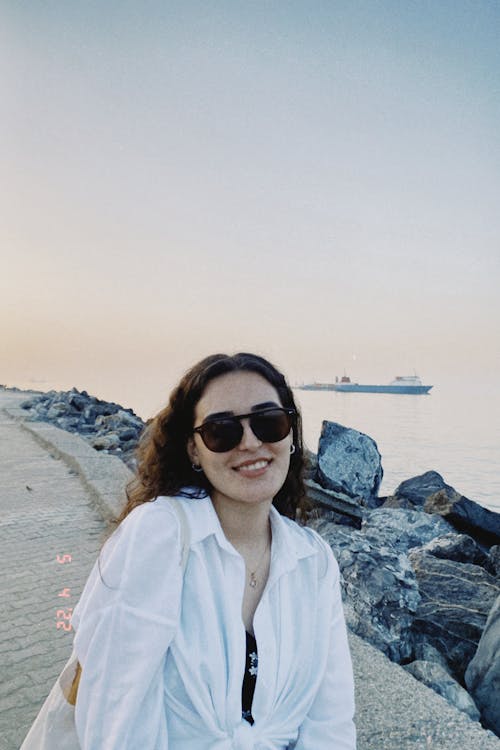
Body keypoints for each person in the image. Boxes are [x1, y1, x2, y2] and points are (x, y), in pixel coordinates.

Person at [70, 352, 356, 749]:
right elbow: (115, 723)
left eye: (269, 422)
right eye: (222, 431)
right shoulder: (158, 536)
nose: (252, 443)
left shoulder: (314, 560)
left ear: (291, 435)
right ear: (193, 450)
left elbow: (331, 724)